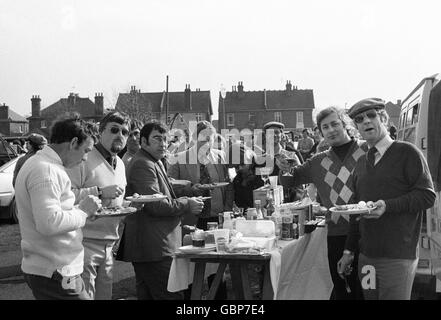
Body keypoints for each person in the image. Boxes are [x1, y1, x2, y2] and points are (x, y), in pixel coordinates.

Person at [338, 98, 436, 300]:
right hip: (367, 258)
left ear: (383, 118)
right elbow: (357, 212)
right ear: (355, 128)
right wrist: (349, 251)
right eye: (359, 119)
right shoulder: (361, 164)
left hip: (397, 257)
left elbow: (427, 196)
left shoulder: (408, 153)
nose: (366, 121)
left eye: (371, 115)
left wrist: (387, 206)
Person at [278, 106, 368, 300]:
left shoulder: (366, 149)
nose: (331, 130)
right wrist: (284, 167)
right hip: (337, 233)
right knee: (343, 287)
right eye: (325, 127)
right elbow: (290, 180)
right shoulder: (317, 161)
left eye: (335, 124)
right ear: (320, 132)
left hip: (369, 230)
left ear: (345, 125)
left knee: (368, 290)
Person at [15, 116, 101, 300]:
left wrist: (80, 213)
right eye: (86, 150)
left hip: (53, 269)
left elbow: (51, 214)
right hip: (55, 270)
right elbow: (48, 223)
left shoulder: (43, 165)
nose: (86, 158)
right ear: (73, 142)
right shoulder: (46, 170)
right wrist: (82, 211)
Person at [116, 121, 204, 300]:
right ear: (143, 141)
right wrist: (187, 204)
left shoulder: (151, 160)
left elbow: (163, 189)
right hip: (154, 248)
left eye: (165, 139)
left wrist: (187, 188)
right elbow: (155, 205)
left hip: (152, 247)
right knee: (171, 296)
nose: (163, 143)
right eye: (157, 138)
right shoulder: (143, 163)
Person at [66, 111, 130, 300]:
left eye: (125, 132)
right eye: (114, 130)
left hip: (109, 244)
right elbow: (67, 196)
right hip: (83, 243)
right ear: (100, 132)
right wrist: (100, 191)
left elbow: (114, 202)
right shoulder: (84, 157)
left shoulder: (120, 163)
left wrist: (130, 205)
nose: (120, 135)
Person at [261, 121, 302, 202]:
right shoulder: (261, 159)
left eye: (277, 132)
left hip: (290, 201)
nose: (274, 135)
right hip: (268, 202)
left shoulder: (292, 156)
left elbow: (301, 180)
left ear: (282, 135)